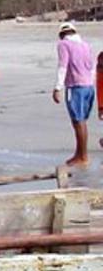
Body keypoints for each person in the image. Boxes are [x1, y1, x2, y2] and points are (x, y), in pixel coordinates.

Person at [52, 21, 95, 167]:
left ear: (62, 34)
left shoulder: (64, 45)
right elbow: (91, 67)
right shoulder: (86, 45)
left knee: (78, 121)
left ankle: (82, 156)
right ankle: (80, 153)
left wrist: (58, 87)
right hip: (89, 86)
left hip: (75, 86)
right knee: (81, 121)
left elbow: (63, 66)